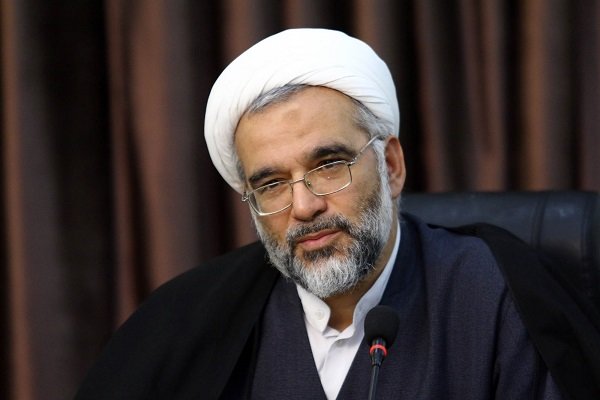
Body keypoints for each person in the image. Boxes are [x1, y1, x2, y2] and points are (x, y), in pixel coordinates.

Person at [75, 28, 597, 400]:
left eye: (328, 166)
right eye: (271, 184)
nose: (304, 207)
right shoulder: (189, 321)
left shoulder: (493, 294)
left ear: (391, 166)